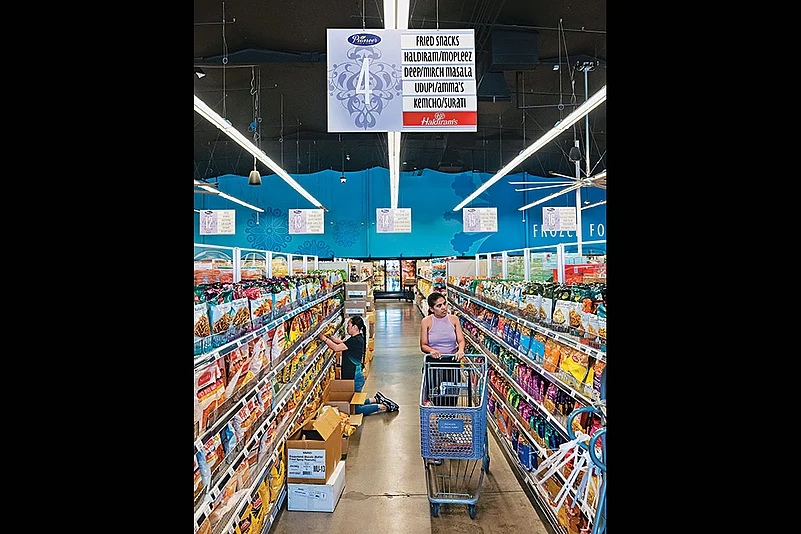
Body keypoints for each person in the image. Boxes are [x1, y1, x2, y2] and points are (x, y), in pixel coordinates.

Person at [318, 316, 398, 414]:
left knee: (356, 409)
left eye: (348, 325)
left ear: (355, 327)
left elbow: (336, 348)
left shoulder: (355, 341)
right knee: (353, 401)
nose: (347, 328)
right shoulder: (356, 338)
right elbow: (341, 342)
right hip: (355, 376)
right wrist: (329, 336)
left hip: (355, 378)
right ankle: (375, 399)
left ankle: (383, 406)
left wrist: (323, 339)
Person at [419, 291, 466, 407]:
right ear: (431, 308)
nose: (444, 308)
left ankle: (449, 416)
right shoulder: (426, 322)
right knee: (434, 393)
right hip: (434, 362)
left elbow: (461, 340)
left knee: (451, 394)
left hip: (452, 361)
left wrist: (460, 350)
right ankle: (436, 416)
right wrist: (431, 351)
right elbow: (423, 345)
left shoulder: (454, 320)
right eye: (439, 306)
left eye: (444, 304)